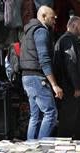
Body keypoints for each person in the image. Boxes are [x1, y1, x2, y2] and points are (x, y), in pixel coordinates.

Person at [20, 5, 63, 140]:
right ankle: (41, 147)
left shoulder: (28, 31)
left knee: (36, 115)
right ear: (43, 17)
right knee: (50, 113)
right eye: (52, 18)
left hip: (27, 77)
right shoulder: (41, 31)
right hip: (37, 77)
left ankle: (31, 147)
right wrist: (54, 85)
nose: (54, 21)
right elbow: (44, 59)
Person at [53, 16, 80, 139]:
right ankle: (63, 148)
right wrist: (76, 86)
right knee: (68, 121)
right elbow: (71, 64)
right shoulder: (68, 41)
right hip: (69, 88)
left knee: (75, 119)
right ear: (73, 26)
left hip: (67, 87)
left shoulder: (65, 40)